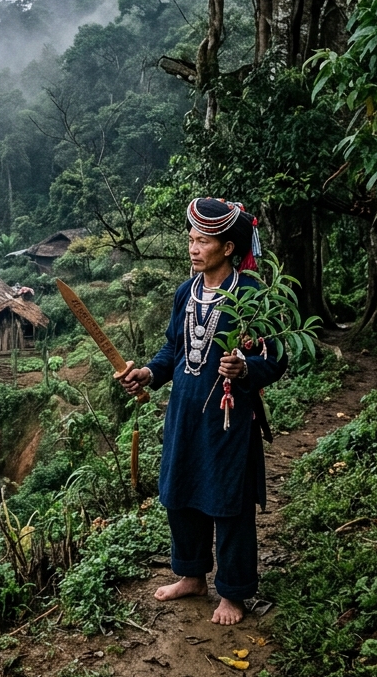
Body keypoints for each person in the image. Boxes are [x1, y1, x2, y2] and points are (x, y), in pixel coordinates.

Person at [121, 197, 287, 626]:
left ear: (228, 248)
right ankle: (192, 575)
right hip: (184, 414)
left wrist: (248, 367)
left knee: (229, 502)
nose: (193, 248)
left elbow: (277, 356)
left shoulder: (251, 295)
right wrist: (148, 373)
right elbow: (173, 350)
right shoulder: (185, 292)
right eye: (191, 240)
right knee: (180, 494)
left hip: (228, 420)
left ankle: (232, 592)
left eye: (203, 241)